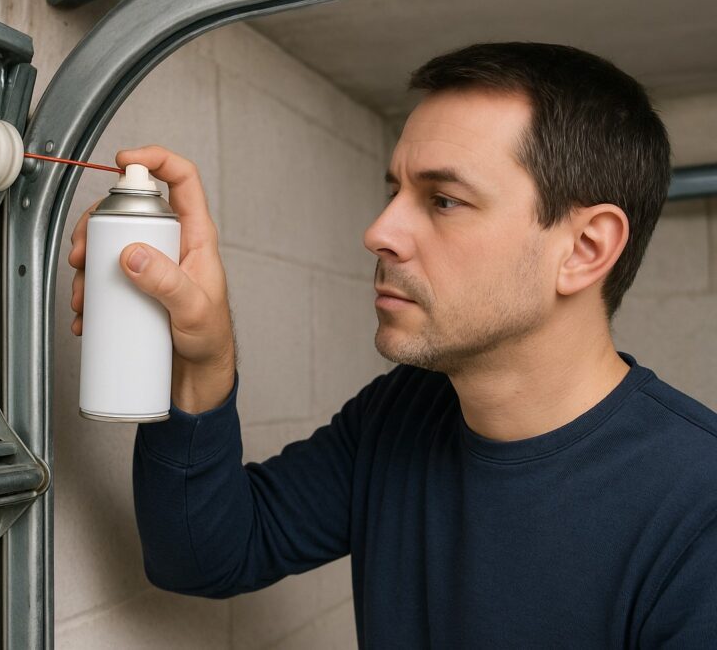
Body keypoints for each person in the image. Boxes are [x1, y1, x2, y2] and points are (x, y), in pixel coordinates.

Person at [67, 42, 717, 647]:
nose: (379, 231)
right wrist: (200, 359)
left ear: (584, 248)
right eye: (394, 192)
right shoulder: (401, 414)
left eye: (443, 199)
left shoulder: (699, 505)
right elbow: (202, 556)